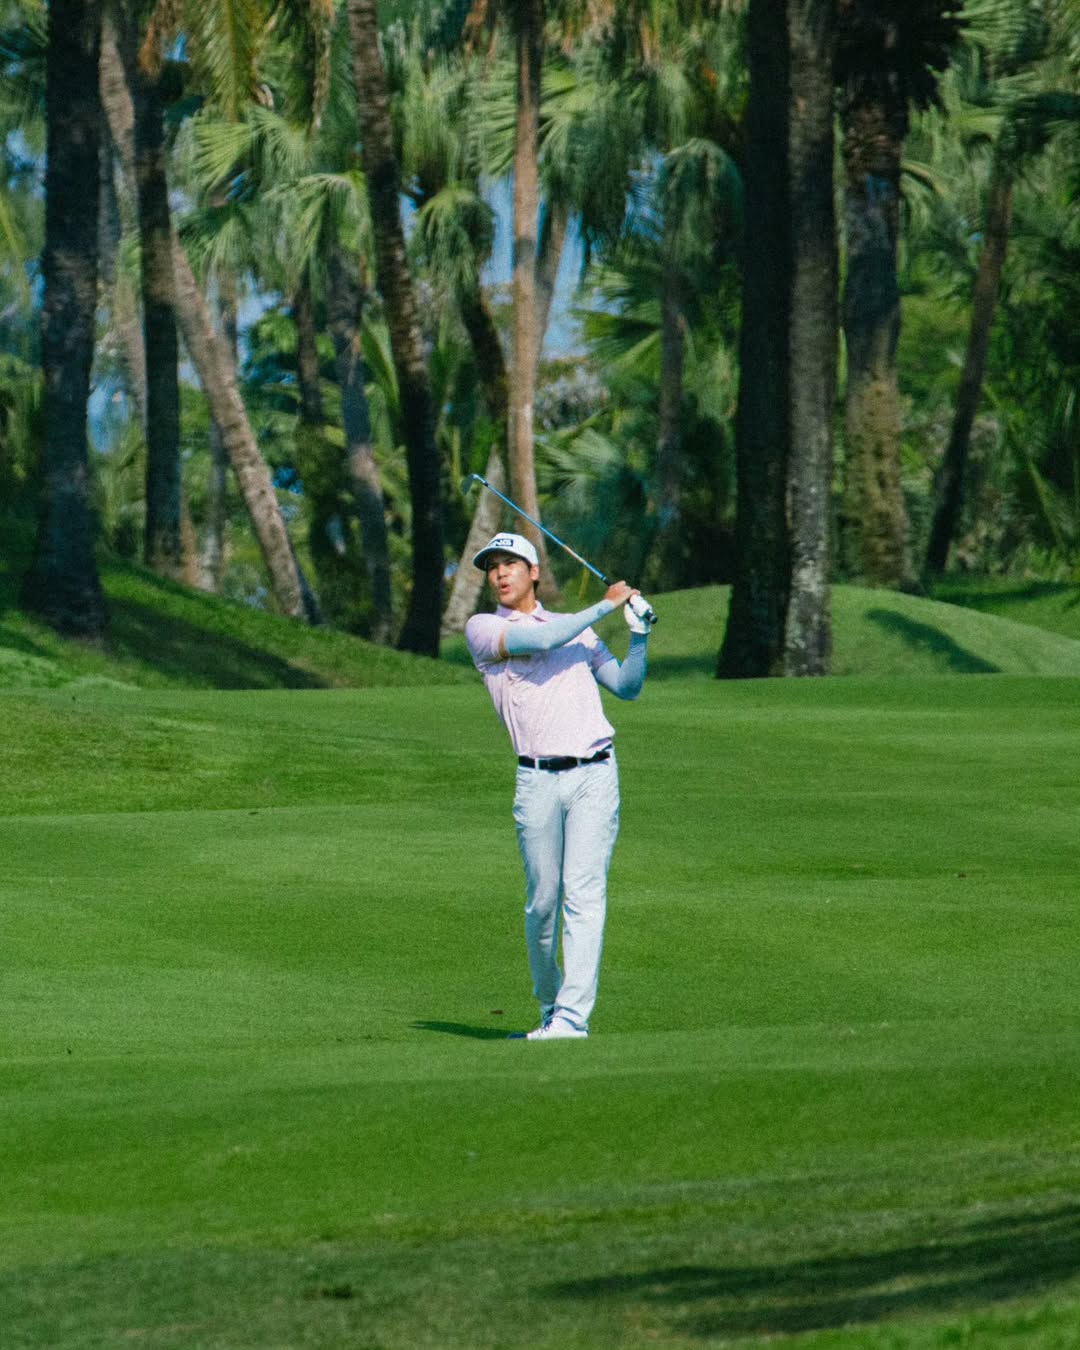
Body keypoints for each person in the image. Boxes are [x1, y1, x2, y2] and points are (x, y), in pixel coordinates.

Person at [464, 531, 653, 1041]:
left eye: (510, 563)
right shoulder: (484, 629)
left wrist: (638, 637)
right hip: (536, 779)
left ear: (533, 572)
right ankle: (550, 1005)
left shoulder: (578, 634)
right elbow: (544, 640)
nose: (499, 574)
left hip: (595, 773)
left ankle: (572, 1018)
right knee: (543, 902)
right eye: (492, 567)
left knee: (584, 894)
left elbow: (626, 687)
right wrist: (607, 605)